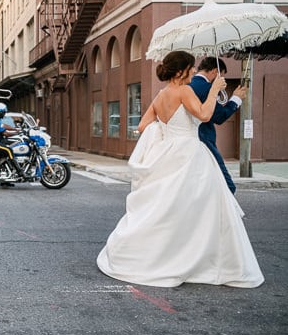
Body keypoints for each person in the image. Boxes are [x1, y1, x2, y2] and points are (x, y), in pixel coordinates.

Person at [96, 51, 263, 288]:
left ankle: (162, 254)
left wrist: (167, 134)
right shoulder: (184, 91)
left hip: (169, 155)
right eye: (190, 67)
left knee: (167, 207)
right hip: (190, 154)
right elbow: (204, 114)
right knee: (199, 207)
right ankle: (196, 256)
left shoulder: (161, 95)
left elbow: (143, 126)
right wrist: (214, 90)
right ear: (180, 71)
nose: (194, 70)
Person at [189, 57, 247, 194]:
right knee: (225, 183)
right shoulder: (206, 88)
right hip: (204, 139)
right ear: (215, 71)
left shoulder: (187, 85)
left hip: (187, 140)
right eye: (222, 76)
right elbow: (219, 116)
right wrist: (236, 98)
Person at [0, 102, 22, 186]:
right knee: (9, 150)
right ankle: (19, 172)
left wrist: (15, 129)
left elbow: (4, 125)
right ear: (0, 112)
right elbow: (5, 133)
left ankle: (5, 180)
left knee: (5, 157)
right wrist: (17, 133)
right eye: (4, 112)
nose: (4, 114)